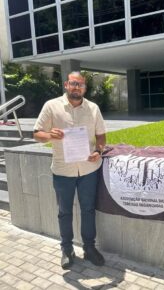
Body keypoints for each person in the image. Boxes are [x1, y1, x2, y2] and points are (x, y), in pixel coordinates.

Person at [33, 71, 106, 269]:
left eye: (80, 85)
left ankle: (89, 248)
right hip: (63, 171)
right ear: (66, 85)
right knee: (64, 212)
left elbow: (101, 136)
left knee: (88, 210)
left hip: (88, 169)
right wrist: (49, 135)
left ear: (84, 88)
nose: (77, 87)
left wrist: (98, 151)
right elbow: (36, 134)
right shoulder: (52, 106)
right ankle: (67, 249)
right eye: (73, 83)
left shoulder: (93, 108)